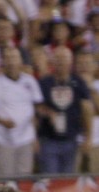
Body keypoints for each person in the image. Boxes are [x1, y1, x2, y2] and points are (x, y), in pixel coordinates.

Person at [0, 46, 42, 178]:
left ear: (20, 61)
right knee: (4, 181)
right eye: (8, 58)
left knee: (24, 179)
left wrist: (34, 136)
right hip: (2, 139)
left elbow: (36, 110)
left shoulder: (30, 81)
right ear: (3, 62)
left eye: (14, 58)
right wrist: (2, 121)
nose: (12, 62)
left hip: (26, 138)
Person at [37, 46, 94, 175]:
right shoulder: (44, 83)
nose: (61, 62)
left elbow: (87, 108)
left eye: (64, 59)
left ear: (71, 62)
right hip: (48, 140)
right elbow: (36, 107)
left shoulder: (78, 82)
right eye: (58, 59)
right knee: (50, 179)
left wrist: (88, 137)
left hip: (71, 140)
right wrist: (47, 112)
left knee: (68, 181)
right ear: (52, 61)